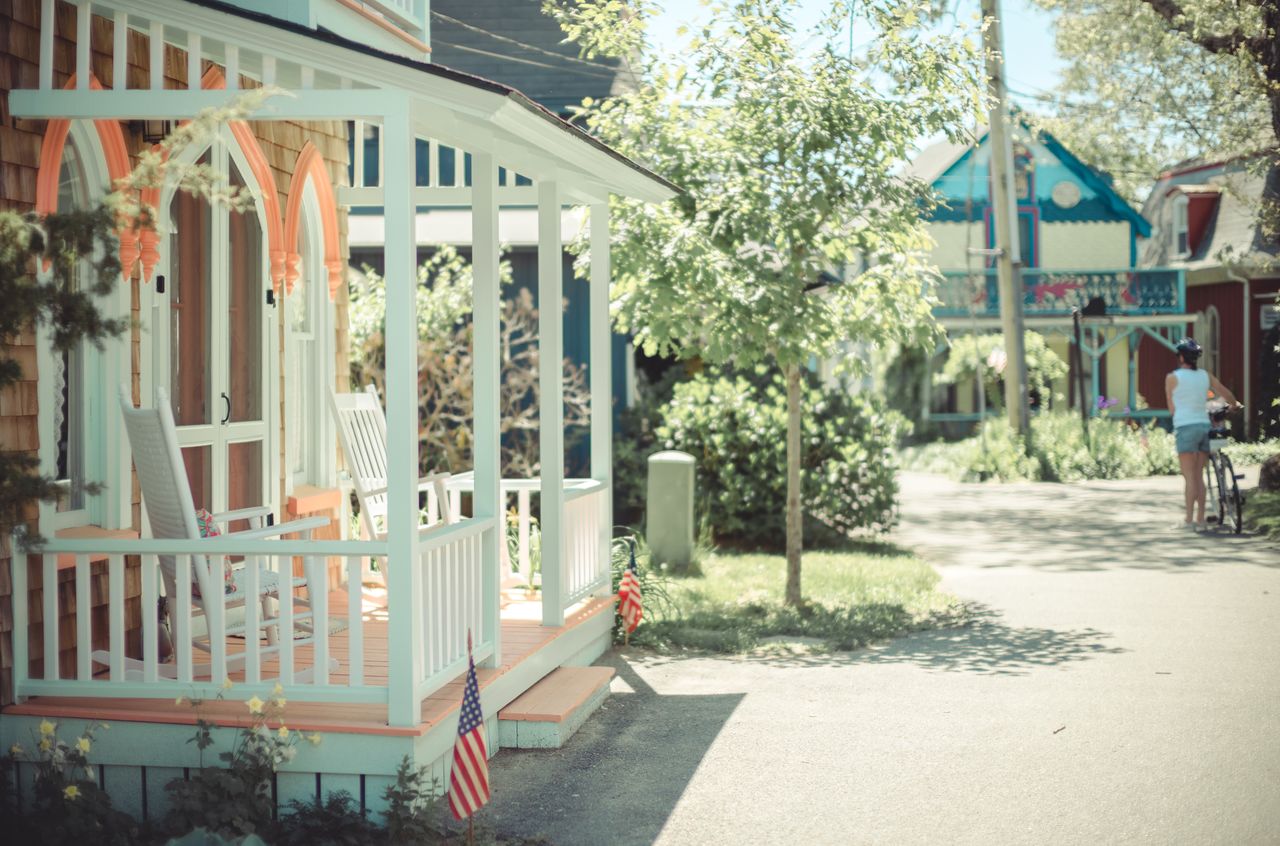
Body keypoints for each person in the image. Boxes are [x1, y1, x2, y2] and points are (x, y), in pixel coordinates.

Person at [1164, 338, 1241, 531]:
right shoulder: (1206, 376)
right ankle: (1200, 521)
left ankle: (1189, 521)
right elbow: (1226, 392)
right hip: (1204, 427)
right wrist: (1234, 405)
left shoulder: (1172, 378)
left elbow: (1172, 409)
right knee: (1199, 476)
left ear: (1181, 357)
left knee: (1189, 477)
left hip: (1185, 427)